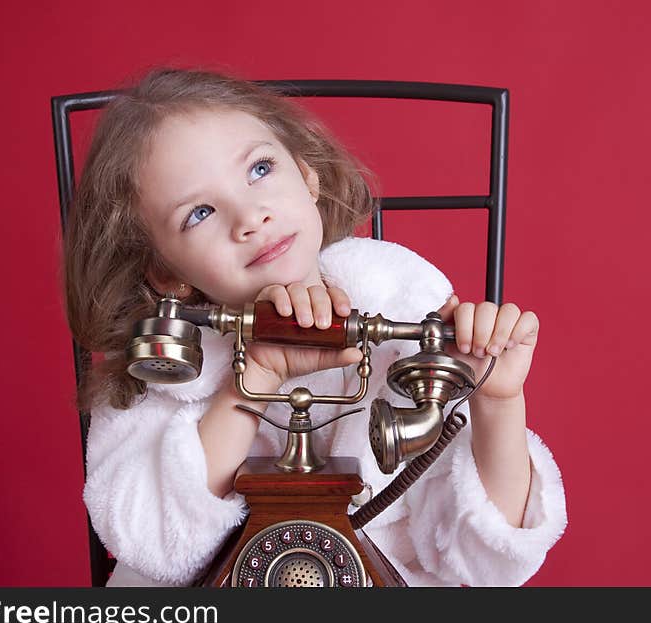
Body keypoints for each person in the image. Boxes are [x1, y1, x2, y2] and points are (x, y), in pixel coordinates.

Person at [62, 68, 567, 587]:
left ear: (308, 178)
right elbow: (150, 543)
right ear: (166, 272)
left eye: (260, 169)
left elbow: (489, 561)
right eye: (200, 212)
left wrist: (499, 404)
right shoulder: (160, 368)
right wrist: (253, 377)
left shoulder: (403, 303)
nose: (250, 216)